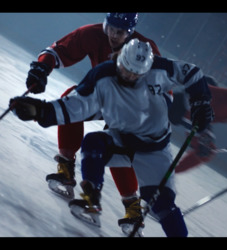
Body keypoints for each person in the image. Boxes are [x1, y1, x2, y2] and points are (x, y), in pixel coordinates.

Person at [10, 38, 214, 237]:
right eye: (126, 70)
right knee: (93, 143)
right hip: (121, 139)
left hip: (154, 151)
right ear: (120, 59)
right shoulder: (101, 76)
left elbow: (193, 73)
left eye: (137, 74)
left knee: (162, 206)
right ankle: (91, 200)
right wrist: (40, 111)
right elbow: (75, 106)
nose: (130, 77)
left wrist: (201, 102)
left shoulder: (160, 69)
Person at [24, 13, 161, 234]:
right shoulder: (93, 34)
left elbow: (162, 87)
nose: (114, 36)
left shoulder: (146, 49)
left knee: (117, 143)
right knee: (70, 100)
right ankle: (66, 170)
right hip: (103, 96)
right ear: (105, 23)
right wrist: (41, 68)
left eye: (121, 32)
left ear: (131, 31)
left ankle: (132, 208)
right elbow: (58, 50)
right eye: (111, 28)